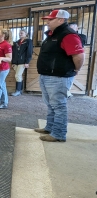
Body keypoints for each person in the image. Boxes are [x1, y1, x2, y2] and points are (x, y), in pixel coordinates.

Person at [35, 9, 84, 142]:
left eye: (50, 20)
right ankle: (50, 127)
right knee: (50, 104)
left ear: (61, 20)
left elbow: (78, 56)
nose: (47, 22)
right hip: (47, 75)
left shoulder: (68, 35)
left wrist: (75, 69)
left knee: (58, 105)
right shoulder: (52, 35)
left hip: (58, 76)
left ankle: (58, 134)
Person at [67, 22, 87, 98]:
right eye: (69, 28)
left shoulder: (81, 37)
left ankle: (67, 90)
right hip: (67, 58)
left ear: (77, 29)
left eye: (72, 28)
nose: (70, 30)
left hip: (75, 57)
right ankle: (66, 91)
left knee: (73, 74)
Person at [11, 29, 33, 96]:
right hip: (16, 61)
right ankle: (20, 90)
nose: (20, 34)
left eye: (22, 33)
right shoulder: (17, 42)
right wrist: (13, 62)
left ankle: (18, 90)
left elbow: (29, 51)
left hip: (23, 61)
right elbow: (14, 52)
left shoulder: (28, 41)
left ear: (26, 34)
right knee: (19, 75)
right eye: (20, 33)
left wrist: (27, 62)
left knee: (17, 75)